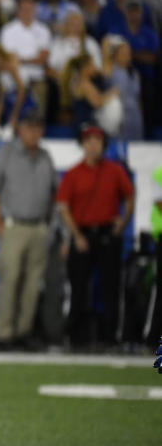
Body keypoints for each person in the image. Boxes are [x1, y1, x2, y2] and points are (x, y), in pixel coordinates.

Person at [0, 111, 58, 349]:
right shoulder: (6, 154)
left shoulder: (45, 156)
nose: (34, 132)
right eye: (29, 127)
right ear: (20, 129)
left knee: (33, 283)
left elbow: (55, 192)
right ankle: (3, 333)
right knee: (9, 279)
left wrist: (50, 222)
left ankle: (24, 332)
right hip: (13, 225)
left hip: (39, 226)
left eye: (38, 127)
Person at [55, 125, 133, 349]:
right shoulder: (73, 173)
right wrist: (76, 235)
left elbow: (129, 196)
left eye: (97, 141)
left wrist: (124, 220)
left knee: (111, 287)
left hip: (107, 233)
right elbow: (63, 206)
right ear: (82, 145)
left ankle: (110, 336)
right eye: (88, 141)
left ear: (103, 145)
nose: (93, 146)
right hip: (83, 233)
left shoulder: (114, 170)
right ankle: (75, 335)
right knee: (78, 287)